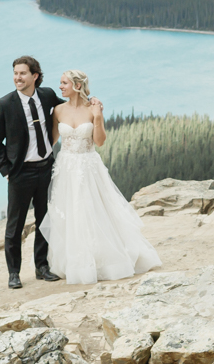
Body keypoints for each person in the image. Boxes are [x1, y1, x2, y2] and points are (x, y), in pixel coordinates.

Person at [38, 69, 161, 284]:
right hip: (66, 167)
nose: (60, 86)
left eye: (64, 83)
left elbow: (100, 141)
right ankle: (75, 261)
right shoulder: (57, 110)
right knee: (71, 212)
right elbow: (50, 141)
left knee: (94, 209)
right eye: (60, 83)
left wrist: (96, 118)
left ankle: (104, 260)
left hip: (89, 166)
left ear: (77, 85)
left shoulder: (93, 108)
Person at [0, 55, 65, 289]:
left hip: (46, 169)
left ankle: (42, 267)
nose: (17, 78)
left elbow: (69, 106)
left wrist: (91, 101)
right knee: (15, 225)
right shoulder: (4, 104)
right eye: (15, 73)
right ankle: (14, 273)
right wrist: (7, 171)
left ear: (35, 76)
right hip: (20, 174)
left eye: (22, 73)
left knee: (45, 220)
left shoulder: (47, 95)